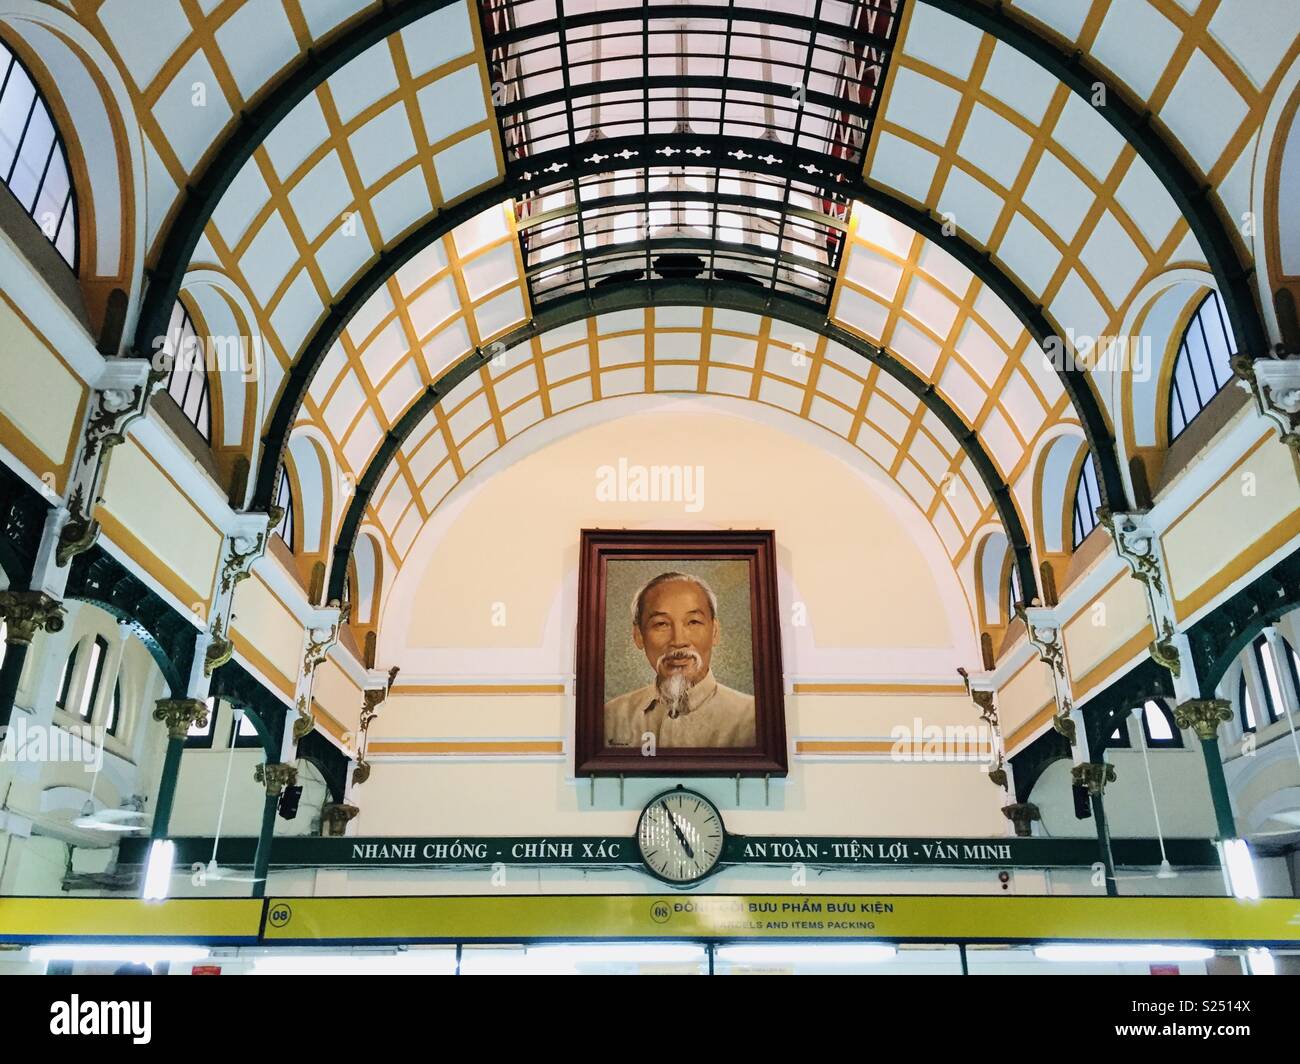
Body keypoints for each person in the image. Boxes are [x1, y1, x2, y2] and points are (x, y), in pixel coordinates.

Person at [604, 571, 755, 748]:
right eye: (661, 624)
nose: (678, 641)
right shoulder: (611, 717)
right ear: (638, 636)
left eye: (693, 622)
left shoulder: (752, 718)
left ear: (714, 632)